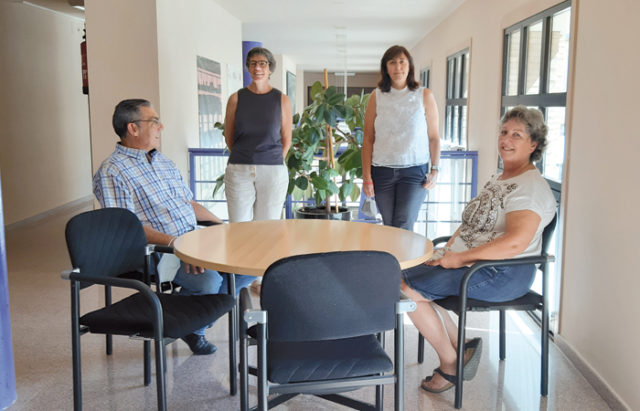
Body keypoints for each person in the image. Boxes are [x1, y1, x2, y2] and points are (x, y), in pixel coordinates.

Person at [401, 106, 556, 393]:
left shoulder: (530, 188)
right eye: (504, 132)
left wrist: (458, 257)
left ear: (533, 145)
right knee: (402, 277)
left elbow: (515, 243)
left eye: (517, 135)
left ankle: (451, 364)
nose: (506, 140)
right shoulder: (500, 177)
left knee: (404, 290)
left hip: (499, 272)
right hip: (471, 263)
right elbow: (471, 222)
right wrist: (446, 251)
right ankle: (463, 345)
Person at [93, 99, 254, 355]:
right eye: (154, 121)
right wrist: (178, 246)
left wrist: (222, 227)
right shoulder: (112, 171)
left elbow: (187, 203)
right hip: (157, 251)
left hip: (192, 241)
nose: (161, 127)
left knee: (251, 265)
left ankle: (193, 325)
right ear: (133, 128)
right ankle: (189, 322)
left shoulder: (163, 162)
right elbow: (126, 227)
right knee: (208, 281)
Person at [362, 45, 441, 231]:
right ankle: (392, 261)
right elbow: (368, 138)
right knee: (389, 226)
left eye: (402, 62)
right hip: (381, 172)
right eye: (392, 63)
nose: (398, 67)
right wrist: (366, 177)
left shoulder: (424, 95)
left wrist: (436, 169)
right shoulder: (377, 96)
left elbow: (434, 137)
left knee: (404, 223)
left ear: (409, 66)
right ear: (386, 68)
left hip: (414, 172)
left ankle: (407, 261)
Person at [223, 47, 292, 222]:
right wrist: (246, 157)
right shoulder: (236, 98)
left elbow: (286, 139)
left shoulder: (282, 100)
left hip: (273, 172)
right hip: (240, 169)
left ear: (270, 69)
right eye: (253, 64)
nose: (257, 68)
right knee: (239, 225)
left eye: (262, 63)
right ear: (248, 67)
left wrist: (271, 159)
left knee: (268, 226)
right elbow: (229, 136)